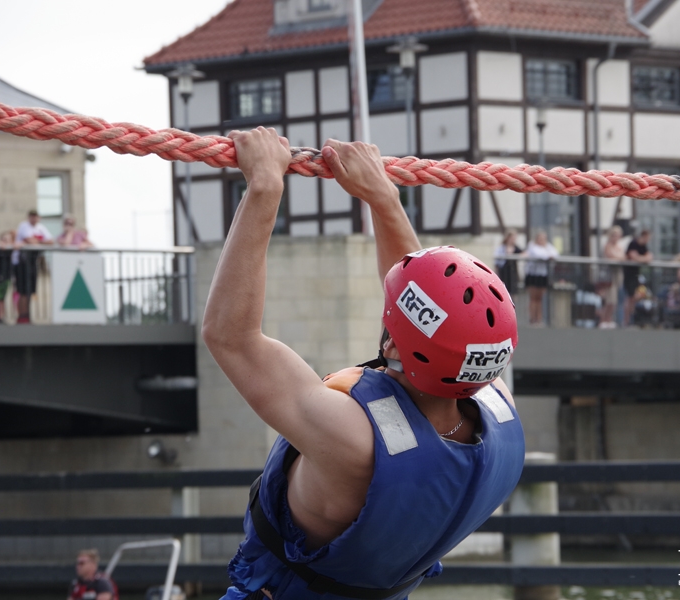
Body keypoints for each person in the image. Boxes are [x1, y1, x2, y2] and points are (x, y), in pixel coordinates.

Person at [203, 128, 524, 600]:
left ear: (392, 345)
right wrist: (383, 198)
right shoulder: (497, 403)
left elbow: (231, 337)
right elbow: (431, 318)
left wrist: (264, 189)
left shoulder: (352, 438)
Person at [13, 209, 54, 324]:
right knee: (22, 290)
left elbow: (50, 241)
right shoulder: (24, 226)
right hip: (21, 262)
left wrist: (36, 242)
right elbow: (30, 240)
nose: (34, 219)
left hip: (32, 262)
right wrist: (37, 242)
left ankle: (27, 314)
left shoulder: (40, 228)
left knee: (30, 290)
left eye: (35, 216)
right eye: (32, 216)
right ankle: (22, 315)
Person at [524, 229, 558, 325]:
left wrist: (548, 254)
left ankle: (539, 318)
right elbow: (540, 255)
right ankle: (532, 318)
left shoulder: (547, 247)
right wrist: (548, 255)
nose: (542, 241)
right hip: (533, 274)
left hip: (542, 275)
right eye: (540, 239)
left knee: (539, 298)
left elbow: (555, 254)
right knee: (533, 298)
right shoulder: (532, 246)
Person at [623, 230, 653, 326]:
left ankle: (631, 319)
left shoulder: (643, 246)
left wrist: (641, 259)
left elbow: (649, 257)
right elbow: (632, 256)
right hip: (628, 274)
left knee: (637, 296)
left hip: (636, 274)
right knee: (630, 297)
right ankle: (626, 320)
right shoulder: (633, 243)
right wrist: (642, 259)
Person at [599, 225, 625, 328]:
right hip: (609, 275)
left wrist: (619, 258)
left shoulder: (619, 246)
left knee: (616, 300)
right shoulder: (607, 246)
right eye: (614, 235)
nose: (616, 237)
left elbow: (624, 257)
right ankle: (604, 319)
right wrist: (619, 258)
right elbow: (611, 256)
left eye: (618, 235)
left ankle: (610, 319)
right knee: (610, 299)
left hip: (618, 275)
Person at [494, 229, 522, 294]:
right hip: (504, 272)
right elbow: (497, 262)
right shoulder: (501, 248)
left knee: (514, 292)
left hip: (513, 273)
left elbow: (523, 253)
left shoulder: (515, 247)